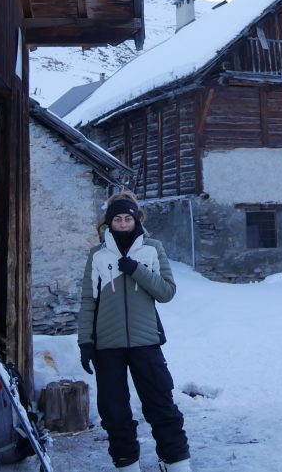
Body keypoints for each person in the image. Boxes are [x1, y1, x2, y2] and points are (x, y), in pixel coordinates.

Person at [78, 191, 192, 472]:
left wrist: (136, 270)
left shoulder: (152, 249)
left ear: (136, 218)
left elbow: (167, 292)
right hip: (107, 346)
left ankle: (176, 461)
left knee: (161, 406)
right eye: (117, 218)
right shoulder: (97, 256)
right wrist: (85, 342)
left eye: (128, 218)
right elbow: (87, 300)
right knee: (114, 412)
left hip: (146, 342)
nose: (123, 223)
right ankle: (127, 464)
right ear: (109, 222)